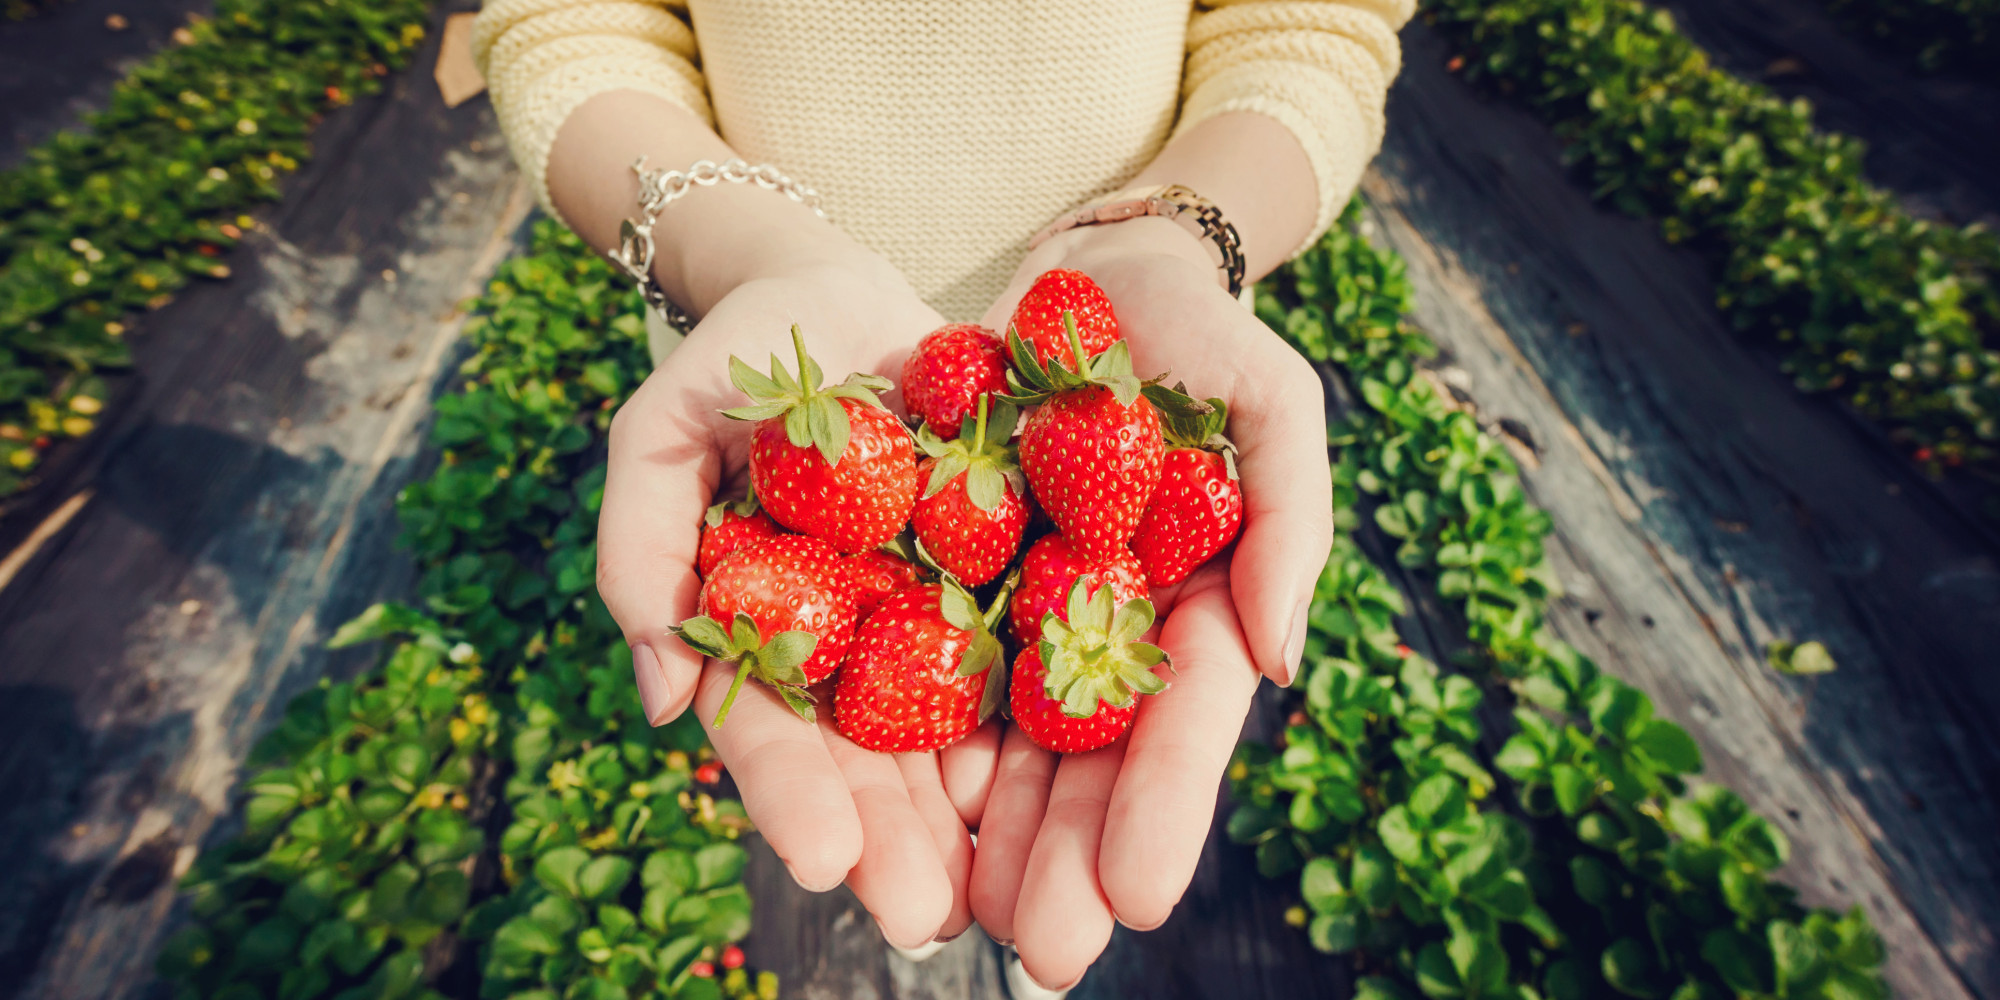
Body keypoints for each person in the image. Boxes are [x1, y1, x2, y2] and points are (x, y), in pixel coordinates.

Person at [471, 1, 1411, 993]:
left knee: (1037, 873)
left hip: (1130, 345)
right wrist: (750, 255)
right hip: (780, 392)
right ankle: (921, 922)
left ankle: (985, 930)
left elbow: (1311, 25)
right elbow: (566, 24)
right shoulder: (846, 458)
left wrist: (1171, 240)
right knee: (893, 854)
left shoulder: (1118, 438)